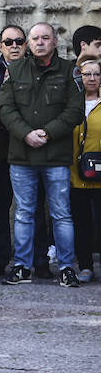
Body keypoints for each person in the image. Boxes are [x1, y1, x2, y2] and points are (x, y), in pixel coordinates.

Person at [0, 22, 85, 287]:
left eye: (45, 38)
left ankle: (67, 267)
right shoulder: (14, 70)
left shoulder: (71, 71)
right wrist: (26, 133)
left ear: (55, 42)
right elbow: (5, 109)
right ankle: (23, 266)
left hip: (56, 156)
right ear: (28, 43)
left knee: (61, 213)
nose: (39, 42)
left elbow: (75, 110)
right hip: (22, 156)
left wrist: (45, 133)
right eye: (34, 38)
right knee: (23, 212)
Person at [0, 25, 29, 277]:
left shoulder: (34, 68)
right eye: (8, 42)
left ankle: (34, 260)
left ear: (25, 45)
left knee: (30, 206)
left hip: (29, 149)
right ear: (0, 46)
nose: (13, 46)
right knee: (0, 207)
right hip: (0, 149)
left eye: (18, 42)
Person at [71, 58, 101, 281]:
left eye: (96, 74)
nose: (92, 78)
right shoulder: (72, 103)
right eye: (87, 74)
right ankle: (85, 266)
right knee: (81, 222)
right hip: (75, 173)